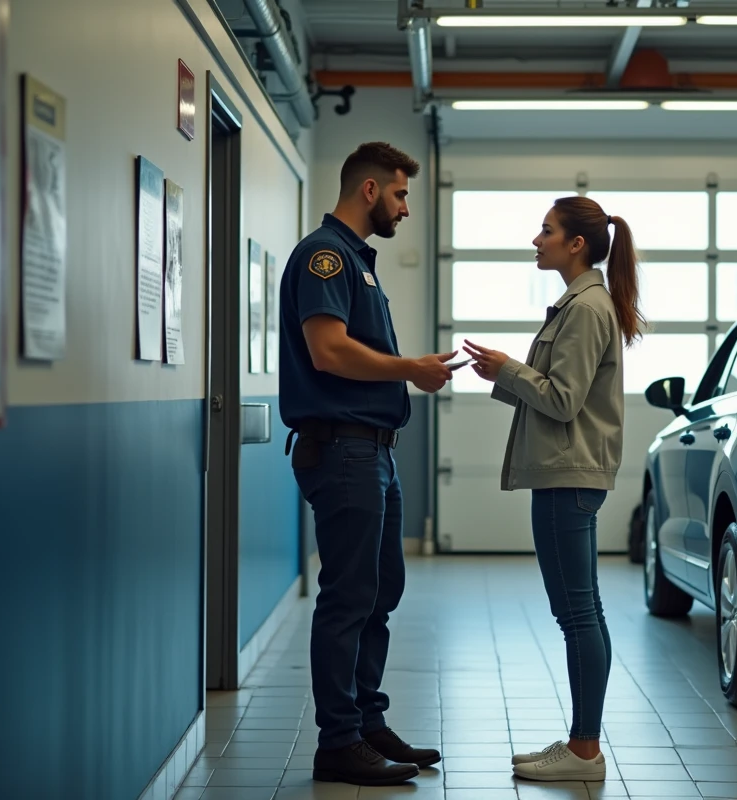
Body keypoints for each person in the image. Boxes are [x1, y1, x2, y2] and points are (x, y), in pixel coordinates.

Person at [279, 142, 457, 786]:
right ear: (371, 191)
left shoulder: (359, 263)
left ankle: (366, 722)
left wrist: (408, 374)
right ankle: (339, 743)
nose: (407, 208)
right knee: (350, 596)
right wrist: (411, 370)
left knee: (380, 592)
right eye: (402, 194)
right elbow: (327, 352)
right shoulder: (325, 257)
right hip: (345, 449)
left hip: (374, 449)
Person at [463, 196, 643, 783]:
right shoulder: (582, 303)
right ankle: (581, 741)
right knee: (581, 610)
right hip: (567, 475)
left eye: (546, 231)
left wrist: (507, 369)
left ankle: (585, 752)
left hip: (570, 477)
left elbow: (563, 400)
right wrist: (509, 373)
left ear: (577, 245)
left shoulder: (587, 308)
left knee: (577, 614)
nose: (535, 241)